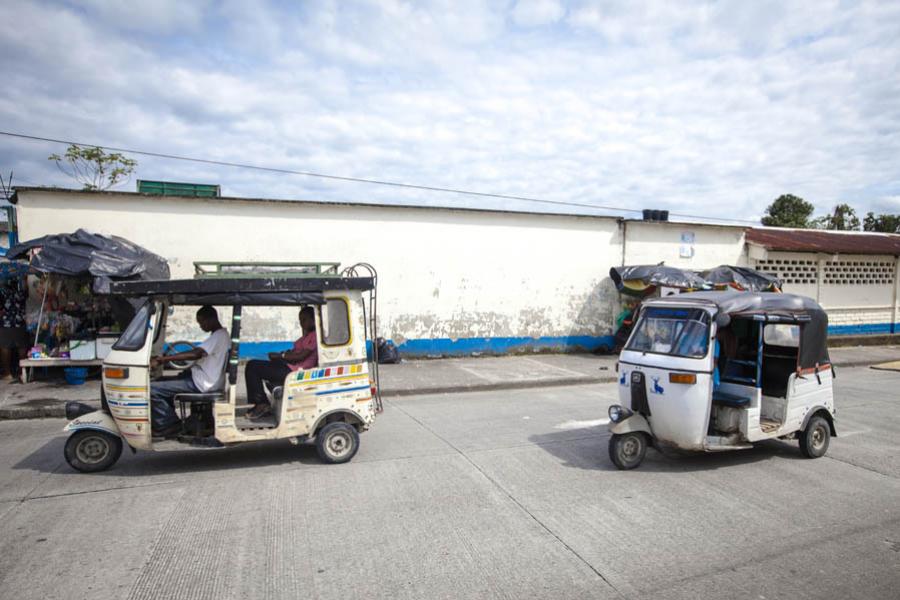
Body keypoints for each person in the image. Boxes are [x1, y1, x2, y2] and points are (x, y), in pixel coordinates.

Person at [150, 305, 229, 437]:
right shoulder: (220, 335)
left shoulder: (218, 336)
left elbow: (195, 354)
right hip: (204, 379)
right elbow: (197, 354)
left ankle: (168, 425)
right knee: (161, 381)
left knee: (152, 389)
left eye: (201, 322)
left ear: (211, 319)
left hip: (202, 383)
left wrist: (163, 359)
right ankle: (168, 420)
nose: (201, 326)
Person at [245, 306, 318, 419]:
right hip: (289, 366)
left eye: (304, 320)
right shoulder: (307, 336)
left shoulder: (315, 336)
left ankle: (262, 403)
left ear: (314, 319)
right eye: (300, 321)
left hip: (295, 372)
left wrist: (281, 355)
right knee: (259, 364)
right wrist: (282, 355)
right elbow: (294, 352)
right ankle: (261, 403)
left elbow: (300, 356)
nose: (301, 323)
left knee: (253, 366)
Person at [0, 276, 29, 382]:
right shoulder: (21, 293)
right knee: (21, 347)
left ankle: (8, 374)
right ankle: (23, 372)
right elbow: (27, 291)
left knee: (5, 348)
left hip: (5, 324)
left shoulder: (2, 292)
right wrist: (25, 278)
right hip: (20, 323)